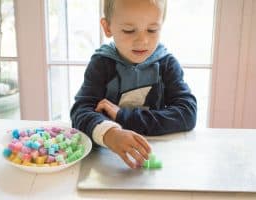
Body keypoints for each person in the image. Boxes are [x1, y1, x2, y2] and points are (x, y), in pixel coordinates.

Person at [70, 0, 197, 169]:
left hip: (157, 158)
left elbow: (187, 113)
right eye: (129, 30)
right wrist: (110, 134)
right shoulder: (101, 64)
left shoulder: (167, 64)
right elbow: (80, 112)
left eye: (152, 30)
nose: (142, 41)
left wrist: (124, 117)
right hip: (108, 161)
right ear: (107, 27)